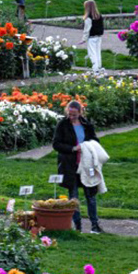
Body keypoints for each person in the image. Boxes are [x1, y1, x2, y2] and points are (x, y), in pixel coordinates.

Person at [51, 99, 103, 233]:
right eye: (70, 114)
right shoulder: (62, 125)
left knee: (90, 195)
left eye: (74, 114)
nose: (71, 116)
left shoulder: (87, 125)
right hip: (70, 165)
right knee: (73, 196)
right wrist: (73, 148)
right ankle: (77, 226)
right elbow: (56, 144)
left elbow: (95, 140)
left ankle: (95, 225)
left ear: (80, 112)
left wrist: (87, 146)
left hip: (86, 164)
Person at [82, 0, 105, 73]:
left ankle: (95, 69)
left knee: (92, 53)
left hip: (91, 38)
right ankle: (99, 66)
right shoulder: (99, 16)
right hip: (99, 37)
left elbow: (86, 30)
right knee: (98, 52)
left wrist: (84, 39)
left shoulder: (88, 18)